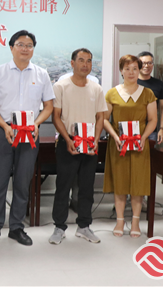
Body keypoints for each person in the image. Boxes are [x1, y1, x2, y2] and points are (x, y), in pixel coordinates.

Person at [0, 30, 55, 246]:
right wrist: (4, 126)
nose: (25, 48)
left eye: (29, 45)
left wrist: (36, 123)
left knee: (23, 182)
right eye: (20, 44)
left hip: (29, 134)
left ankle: (16, 227)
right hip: (4, 132)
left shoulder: (41, 74)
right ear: (11, 47)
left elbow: (48, 106)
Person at [49, 48, 107, 245]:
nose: (85, 64)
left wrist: (96, 139)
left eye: (89, 61)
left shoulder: (96, 88)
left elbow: (100, 117)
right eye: (81, 60)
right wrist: (67, 139)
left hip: (90, 143)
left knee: (87, 186)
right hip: (69, 141)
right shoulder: (61, 86)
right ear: (72, 63)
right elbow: (56, 116)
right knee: (63, 186)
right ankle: (59, 227)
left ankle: (84, 226)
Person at [103, 55, 157, 238]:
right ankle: (119, 220)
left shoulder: (148, 93)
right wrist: (115, 136)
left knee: (138, 183)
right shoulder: (112, 93)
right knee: (120, 183)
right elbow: (104, 119)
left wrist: (144, 137)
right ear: (121, 71)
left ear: (139, 70)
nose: (131, 72)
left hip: (139, 144)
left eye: (135, 68)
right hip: (119, 144)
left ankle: (135, 221)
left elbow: (153, 120)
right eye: (127, 68)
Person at [137, 51, 163, 144]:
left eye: (149, 63)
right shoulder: (132, 83)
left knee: (150, 152)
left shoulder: (159, 84)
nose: (146, 66)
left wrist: (161, 128)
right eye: (143, 63)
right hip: (134, 129)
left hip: (152, 130)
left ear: (153, 65)